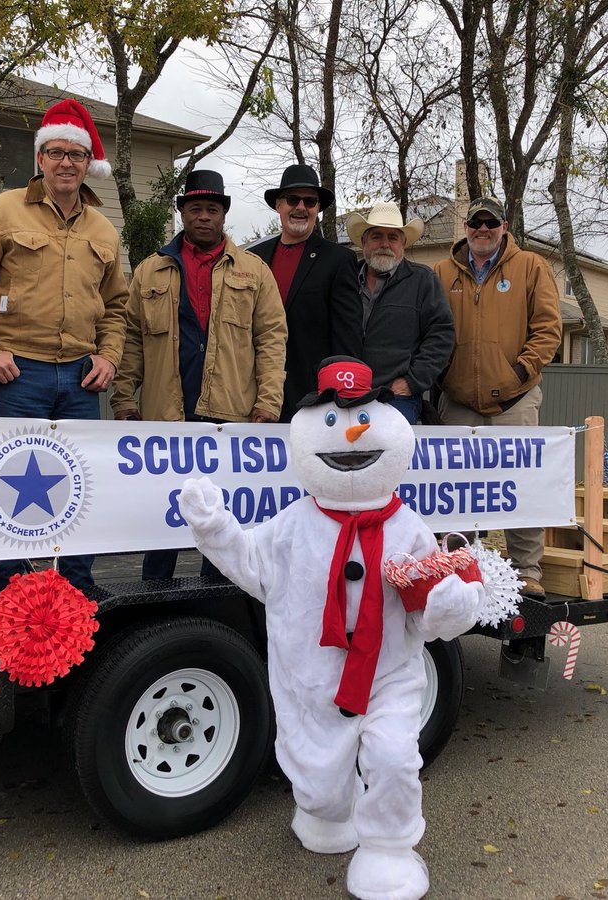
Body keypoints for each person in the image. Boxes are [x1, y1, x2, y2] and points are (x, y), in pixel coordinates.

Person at [179, 357, 517, 900]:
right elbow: (252, 565)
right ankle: (327, 814)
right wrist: (214, 527)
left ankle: (388, 850)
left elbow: (434, 614)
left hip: (389, 673)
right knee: (317, 779)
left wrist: (452, 603)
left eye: (364, 419)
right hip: (310, 676)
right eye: (335, 422)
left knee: (392, 757)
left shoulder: (409, 528)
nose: (353, 435)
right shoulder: (293, 523)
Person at [0, 98, 128, 599]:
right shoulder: (1, 211)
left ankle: (77, 599)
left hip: (79, 379)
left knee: (79, 492)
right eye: (56, 152)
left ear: (88, 161)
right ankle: (4, 604)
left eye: (76, 154)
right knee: (10, 492)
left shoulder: (103, 228)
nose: (66, 162)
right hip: (17, 376)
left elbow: (117, 305)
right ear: (40, 158)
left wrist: (109, 356)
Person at [110, 170, 287, 580]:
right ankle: (154, 595)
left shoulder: (255, 271)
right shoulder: (150, 271)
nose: (203, 217)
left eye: (211, 209)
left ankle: (216, 599)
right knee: (164, 513)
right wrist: (123, 400)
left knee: (223, 517)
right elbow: (132, 340)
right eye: (195, 209)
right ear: (183, 213)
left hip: (230, 414)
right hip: (165, 414)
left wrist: (268, 401)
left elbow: (272, 339)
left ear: (223, 214)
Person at [432, 195, 563, 597]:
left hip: (514, 401)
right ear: (466, 228)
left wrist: (519, 372)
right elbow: (429, 332)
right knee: (456, 490)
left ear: (504, 226)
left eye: (491, 222)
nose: (483, 229)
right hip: (457, 403)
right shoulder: (441, 273)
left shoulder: (531, 267)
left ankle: (527, 571)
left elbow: (548, 330)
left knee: (522, 485)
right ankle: (458, 567)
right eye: (476, 223)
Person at [247, 164, 362, 421]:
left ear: (318, 210)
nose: (301, 207)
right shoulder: (253, 258)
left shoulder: (338, 259)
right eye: (292, 199)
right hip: (254, 393)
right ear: (278, 205)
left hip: (311, 396)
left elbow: (347, 336)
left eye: (310, 201)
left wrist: (340, 396)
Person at [345, 203, 454, 426]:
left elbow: (441, 336)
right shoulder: (345, 280)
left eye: (393, 237)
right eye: (376, 236)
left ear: (403, 244)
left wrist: (412, 381)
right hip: (346, 396)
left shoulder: (422, 280)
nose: (385, 244)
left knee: (391, 458)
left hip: (396, 399)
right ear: (363, 242)